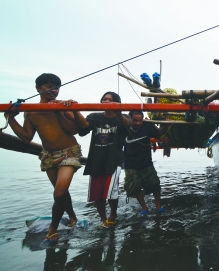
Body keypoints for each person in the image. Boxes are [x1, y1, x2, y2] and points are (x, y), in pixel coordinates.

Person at [4, 73, 82, 243]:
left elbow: (74, 130)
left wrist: (60, 110)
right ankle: (72, 216)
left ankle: (53, 228)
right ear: (38, 88)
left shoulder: (63, 106)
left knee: (59, 192)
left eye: (56, 87)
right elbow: (26, 137)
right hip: (48, 155)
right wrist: (10, 119)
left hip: (69, 152)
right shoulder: (31, 112)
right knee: (61, 193)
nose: (53, 90)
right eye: (48, 86)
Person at [73, 92, 129, 228]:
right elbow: (84, 127)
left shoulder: (123, 117)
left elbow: (128, 127)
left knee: (112, 191)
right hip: (96, 159)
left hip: (114, 160)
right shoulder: (95, 117)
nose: (107, 102)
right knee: (97, 193)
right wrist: (75, 110)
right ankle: (103, 218)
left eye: (111, 100)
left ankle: (113, 215)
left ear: (117, 102)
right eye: (104, 99)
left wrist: (119, 111)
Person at [123, 111, 166, 215]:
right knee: (134, 187)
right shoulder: (124, 129)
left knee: (155, 185)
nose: (138, 123)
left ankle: (158, 206)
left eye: (140, 120)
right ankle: (145, 208)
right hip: (130, 164)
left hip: (146, 162)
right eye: (135, 120)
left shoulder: (147, 126)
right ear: (130, 120)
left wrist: (166, 123)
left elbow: (159, 134)